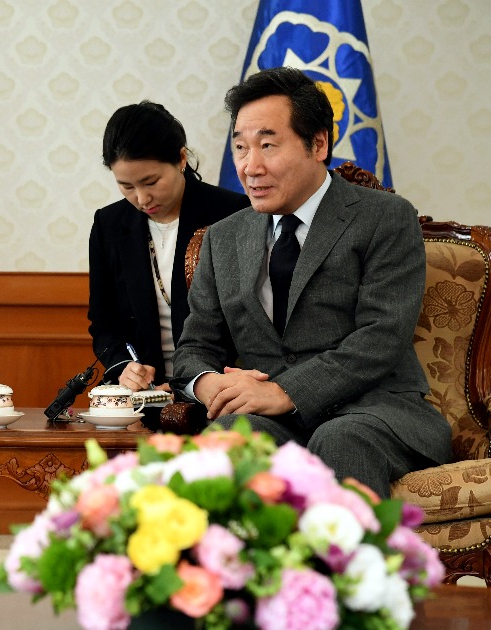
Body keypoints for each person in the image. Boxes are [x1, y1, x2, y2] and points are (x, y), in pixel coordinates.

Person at [172, 67, 451, 498]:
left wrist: (286, 391)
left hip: (376, 410)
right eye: (241, 148)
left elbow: (382, 336)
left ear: (318, 143)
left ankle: (354, 567)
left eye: (268, 145)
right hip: (271, 422)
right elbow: (195, 347)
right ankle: (235, 567)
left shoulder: (385, 217)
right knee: (230, 438)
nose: (251, 166)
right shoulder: (222, 238)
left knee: (340, 439)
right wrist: (209, 384)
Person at [88, 101, 248, 395]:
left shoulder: (233, 214)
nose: (142, 198)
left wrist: (193, 385)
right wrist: (125, 367)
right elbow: (104, 323)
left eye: (151, 182)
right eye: (126, 186)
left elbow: (247, 322)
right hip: (143, 397)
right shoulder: (108, 224)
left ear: (181, 159)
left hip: (219, 392)